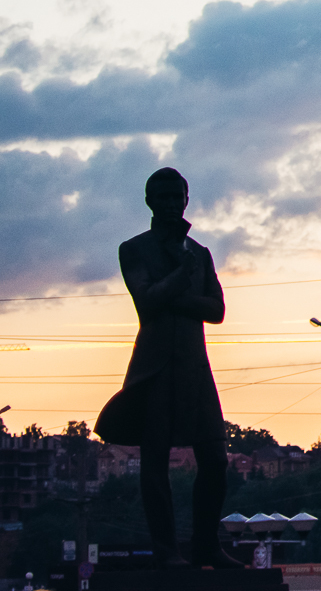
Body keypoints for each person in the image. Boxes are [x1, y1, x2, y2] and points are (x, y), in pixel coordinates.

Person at [96, 167, 241, 568]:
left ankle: (206, 545)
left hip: (195, 368)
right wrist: (180, 276)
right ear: (149, 201)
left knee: (215, 459)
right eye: (163, 197)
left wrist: (171, 295)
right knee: (155, 460)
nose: (172, 204)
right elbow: (145, 303)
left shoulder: (200, 253)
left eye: (178, 197)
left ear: (187, 199)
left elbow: (217, 310)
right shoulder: (135, 249)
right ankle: (166, 550)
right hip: (155, 367)